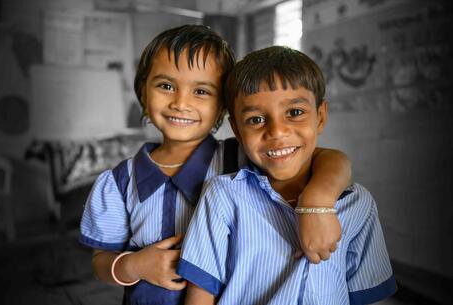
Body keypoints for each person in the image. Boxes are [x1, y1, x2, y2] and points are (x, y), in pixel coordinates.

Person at [80, 25, 351, 305]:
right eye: (166, 86)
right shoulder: (119, 182)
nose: (181, 103)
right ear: (143, 90)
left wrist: (317, 200)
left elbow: (330, 159)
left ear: (223, 106)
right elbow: (100, 261)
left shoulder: (240, 158)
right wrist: (133, 266)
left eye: (201, 91)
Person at [178, 46, 397, 305]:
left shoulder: (358, 204)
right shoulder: (223, 195)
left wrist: (317, 205)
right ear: (237, 130)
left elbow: (367, 296)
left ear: (321, 116)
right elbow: (200, 295)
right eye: (256, 119)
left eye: (294, 113)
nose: (277, 132)